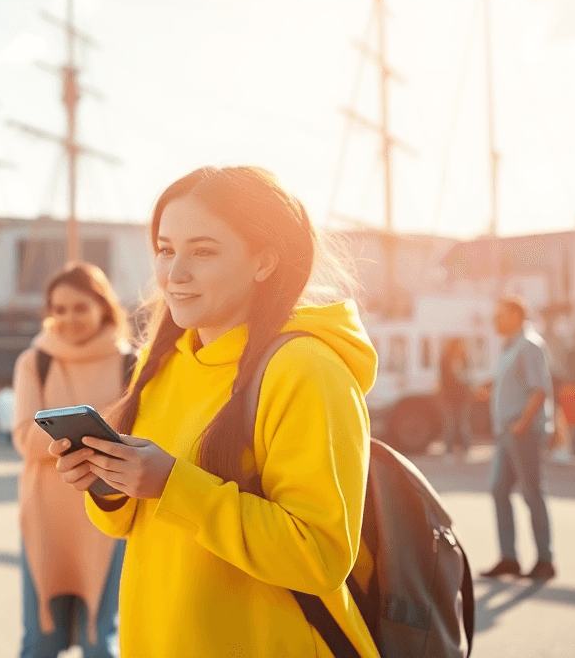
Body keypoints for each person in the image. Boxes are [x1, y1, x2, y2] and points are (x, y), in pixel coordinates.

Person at [51, 166, 380, 658]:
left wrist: (172, 484)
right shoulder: (161, 362)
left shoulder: (307, 370)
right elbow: (129, 525)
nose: (174, 273)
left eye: (203, 252)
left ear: (264, 261)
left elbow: (320, 556)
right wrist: (105, 482)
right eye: (165, 249)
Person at [12, 261, 131, 658]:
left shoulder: (131, 362)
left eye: (79, 307)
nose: (68, 319)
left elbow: (143, 436)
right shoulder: (36, 361)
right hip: (46, 518)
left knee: (102, 639)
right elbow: (24, 438)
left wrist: (64, 429)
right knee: (41, 640)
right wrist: (97, 429)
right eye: (58, 309)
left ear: (103, 306)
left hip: (111, 514)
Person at [479, 295, 556, 581]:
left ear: (515, 315)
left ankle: (545, 560)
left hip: (523, 432)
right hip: (507, 433)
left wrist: (521, 424)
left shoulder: (530, 345)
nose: (495, 321)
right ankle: (509, 558)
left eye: (499, 316)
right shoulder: (509, 347)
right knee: (499, 491)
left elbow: (540, 390)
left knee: (532, 493)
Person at [438, 337, 473, 458]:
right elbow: (444, 381)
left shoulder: (464, 360)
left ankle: (466, 448)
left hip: (463, 398)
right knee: (450, 424)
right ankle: (449, 450)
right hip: (449, 398)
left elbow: (467, 377)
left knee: (463, 423)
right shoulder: (445, 360)